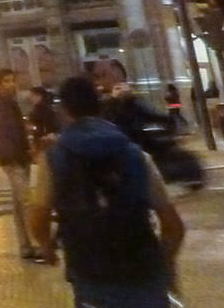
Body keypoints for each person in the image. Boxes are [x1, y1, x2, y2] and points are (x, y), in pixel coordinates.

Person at [28, 75, 185, 308]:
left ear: (64, 110)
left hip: (89, 271)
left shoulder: (52, 159)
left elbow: (38, 218)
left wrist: (46, 247)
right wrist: (163, 261)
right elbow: (173, 226)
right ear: (99, 105)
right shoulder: (136, 154)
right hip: (142, 269)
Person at [0, 72, 42, 260]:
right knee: (26, 200)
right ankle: (36, 243)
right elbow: (3, 132)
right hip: (12, 157)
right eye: (7, 81)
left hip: (19, 155)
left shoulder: (10, 103)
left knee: (19, 202)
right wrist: (12, 155)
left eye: (13, 80)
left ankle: (25, 245)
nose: (11, 84)